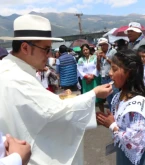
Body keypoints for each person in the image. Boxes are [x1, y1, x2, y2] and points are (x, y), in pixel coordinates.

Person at [0, 14, 112, 165]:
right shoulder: (16, 78)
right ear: (25, 47)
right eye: (46, 50)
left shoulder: (9, 69)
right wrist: (94, 94)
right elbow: (56, 112)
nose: (49, 56)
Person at [97, 49, 145, 165]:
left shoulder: (139, 102)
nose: (110, 73)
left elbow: (135, 142)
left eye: (115, 69)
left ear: (129, 72)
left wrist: (111, 125)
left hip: (142, 156)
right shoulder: (118, 97)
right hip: (124, 152)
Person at [78, 44, 104, 112]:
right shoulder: (81, 59)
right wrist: (86, 77)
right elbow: (79, 70)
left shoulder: (95, 57)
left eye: (86, 49)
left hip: (94, 79)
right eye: (83, 50)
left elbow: (97, 68)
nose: (85, 51)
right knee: (88, 100)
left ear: (89, 50)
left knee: (98, 98)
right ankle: (90, 116)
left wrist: (92, 76)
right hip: (86, 81)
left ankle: (102, 113)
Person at [96, 38, 118, 109]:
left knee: (115, 97)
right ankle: (112, 114)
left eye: (103, 45)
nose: (102, 47)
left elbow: (116, 64)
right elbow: (98, 68)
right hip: (103, 78)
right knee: (108, 98)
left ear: (107, 44)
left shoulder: (113, 51)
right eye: (100, 45)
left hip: (111, 78)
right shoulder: (100, 54)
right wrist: (98, 60)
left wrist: (105, 57)